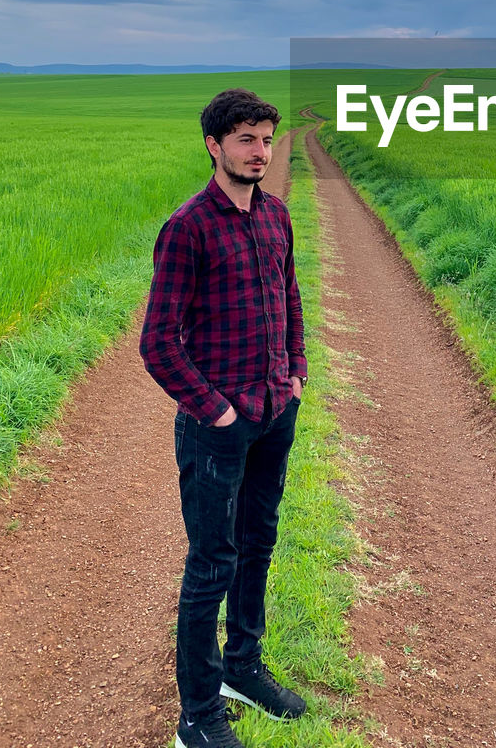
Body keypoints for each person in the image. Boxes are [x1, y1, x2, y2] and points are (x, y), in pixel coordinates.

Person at [139, 87, 308, 748]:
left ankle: (243, 667)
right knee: (213, 561)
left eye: (266, 138)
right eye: (246, 139)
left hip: (274, 413)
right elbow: (157, 342)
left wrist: (295, 370)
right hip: (218, 427)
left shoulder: (277, 219)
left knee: (258, 546)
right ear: (215, 145)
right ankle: (198, 714)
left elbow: (290, 296)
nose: (259, 151)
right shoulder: (189, 227)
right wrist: (215, 409)